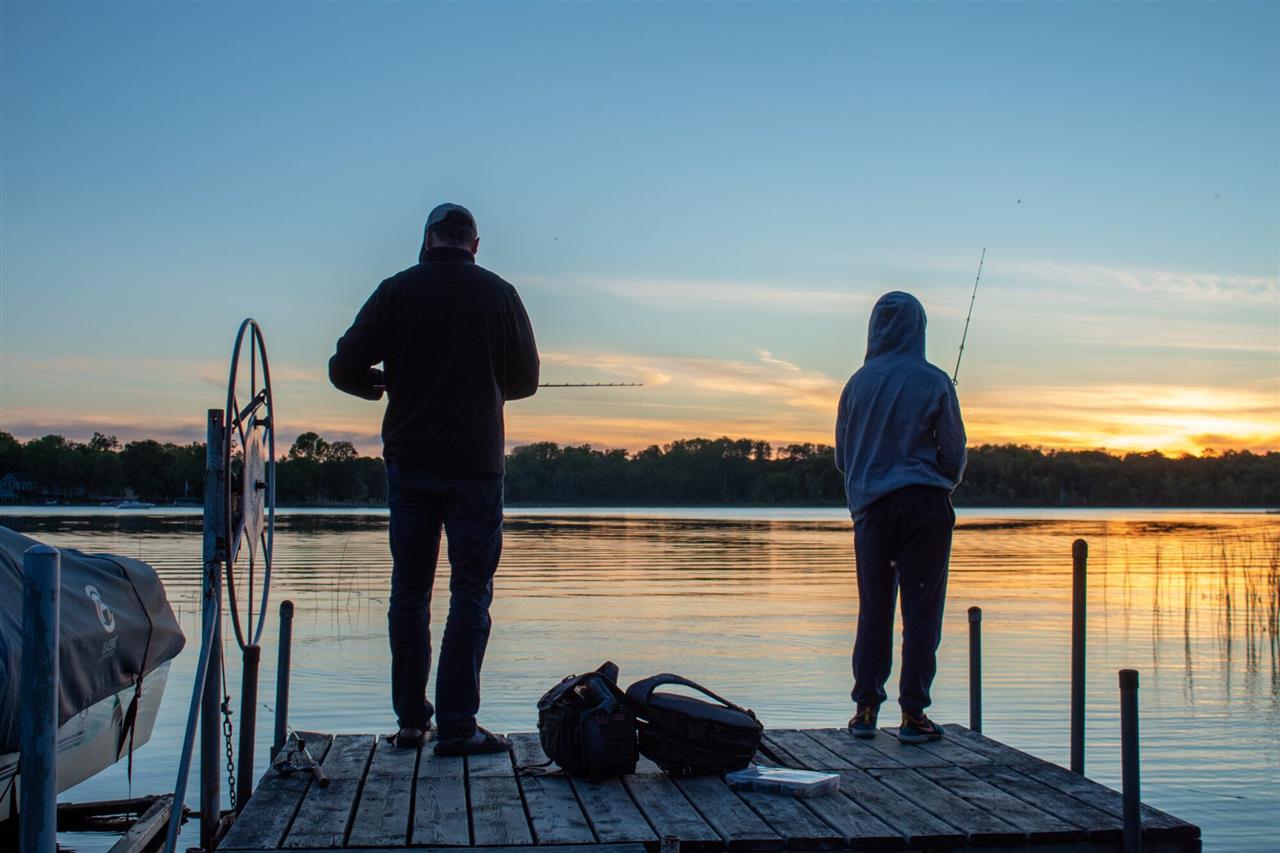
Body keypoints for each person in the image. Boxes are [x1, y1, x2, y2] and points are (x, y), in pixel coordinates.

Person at [329, 202, 539, 755]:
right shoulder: (500, 294)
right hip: (476, 467)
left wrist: (372, 384)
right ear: (474, 244)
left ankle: (409, 722)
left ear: (427, 240)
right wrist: (488, 383)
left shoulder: (396, 290)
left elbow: (342, 365)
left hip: (411, 466)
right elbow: (526, 380)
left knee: (410, 592)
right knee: (470, 592)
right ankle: (459, 725)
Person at [834, 291, 966, 744]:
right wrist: (940, 479)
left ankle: (866, 710)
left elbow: (841, 457)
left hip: (871, 510)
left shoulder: (856, 384)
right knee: (921, 612)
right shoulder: (934, 380)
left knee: (875, 609)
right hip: (925, 507)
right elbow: (954, 452)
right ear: (920, 328)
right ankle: (914, 716)